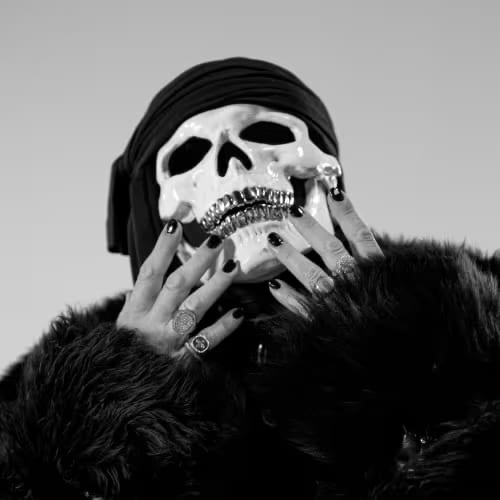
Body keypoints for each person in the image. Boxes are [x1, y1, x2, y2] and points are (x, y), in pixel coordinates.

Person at [1, 57, 500, 500]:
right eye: (189, 156)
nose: (234, 162)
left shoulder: (472, 313)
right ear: (155, 208)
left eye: (269, 136)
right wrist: (110, 418)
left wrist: (421, 363)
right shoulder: (45, 398)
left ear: (327, 172)